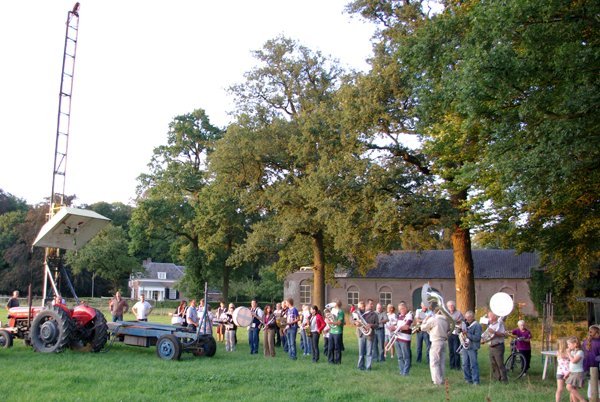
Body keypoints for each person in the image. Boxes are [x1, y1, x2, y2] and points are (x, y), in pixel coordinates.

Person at [421, 307, 450, 385]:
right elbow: (448, 329)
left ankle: (437, 381)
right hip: (444, 341)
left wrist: (425, 319)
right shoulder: (446, 320)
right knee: (442, 361)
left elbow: (423, 328)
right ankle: (441, 378)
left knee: (434, 362)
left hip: (436, 341)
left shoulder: (434, 319)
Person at [460, 310, 482, 385]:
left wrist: (467, 334)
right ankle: (468, 379)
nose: (467, 319)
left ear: (473, 317)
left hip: (472, 347)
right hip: (465, 346)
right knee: (465, 364)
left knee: (473, 364)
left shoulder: (477, 325)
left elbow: (477, 338)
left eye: (469, 317)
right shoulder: (465, 324)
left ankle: (475, 380)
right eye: (466, 317)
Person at [486, 311, 508, 383]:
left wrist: (494, 332)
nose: (488, 317)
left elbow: (503, 335)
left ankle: (504, 380)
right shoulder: (490, 325)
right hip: (491, 346)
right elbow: (488, 335)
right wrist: (484, 339)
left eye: (490, 316)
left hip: (498, 346)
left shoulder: (499, 324)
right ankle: (497, 378)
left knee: (500, 364)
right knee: (493, 363)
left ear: (494, 317)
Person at [393, 301, 413, 376]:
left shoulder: (409, 316)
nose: (401, 310)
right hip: (397, 338)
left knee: (406, 357)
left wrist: (395, 328)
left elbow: (406, 327)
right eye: (400, 309)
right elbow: (398, 326)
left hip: (405, 339)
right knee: (400, 356)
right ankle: (401, 371)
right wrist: (393, 327)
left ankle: (405, 372)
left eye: (402, 309)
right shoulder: (399, 316)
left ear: (406, 308)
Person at [566, 336, 586, 402]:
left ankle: (582, 400)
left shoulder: (580, 352)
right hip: (572, 372)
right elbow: (571, 364)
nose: (568, 346)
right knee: (573, 390)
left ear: (575, 344)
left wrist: (569, 353)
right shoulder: (573, 352)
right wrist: (568, 372)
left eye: (569, 344)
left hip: (578, 373)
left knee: (569, 387)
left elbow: (574, 361)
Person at [446, 300, 464, 370]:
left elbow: (461, 322)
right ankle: (451, 365)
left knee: (456, 350)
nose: (451, 307)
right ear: (447, 307)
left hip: (456, 333)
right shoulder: (447, 313)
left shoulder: (458, 313)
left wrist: (454, 321)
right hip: (449, 333)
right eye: (449, 306)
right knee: (451, 350)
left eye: (452, 306)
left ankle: (457, 366)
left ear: (454, 306)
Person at [327, 299, 344, 364]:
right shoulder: (333, 310)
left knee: (337, 347)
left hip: (338, 331)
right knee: (330, 347)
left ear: (336, 304)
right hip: (331, 331)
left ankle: (337, 361)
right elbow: (330, 318)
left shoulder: (340, 312)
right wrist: (328, 319)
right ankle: (330, 361)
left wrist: (331, 322)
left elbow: (339, 322)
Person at [555, 337, 570, 402]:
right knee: (571, 389)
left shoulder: (558, 352)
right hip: (568, 372)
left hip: (560, 372)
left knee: (559, 389)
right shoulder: (568, 352)